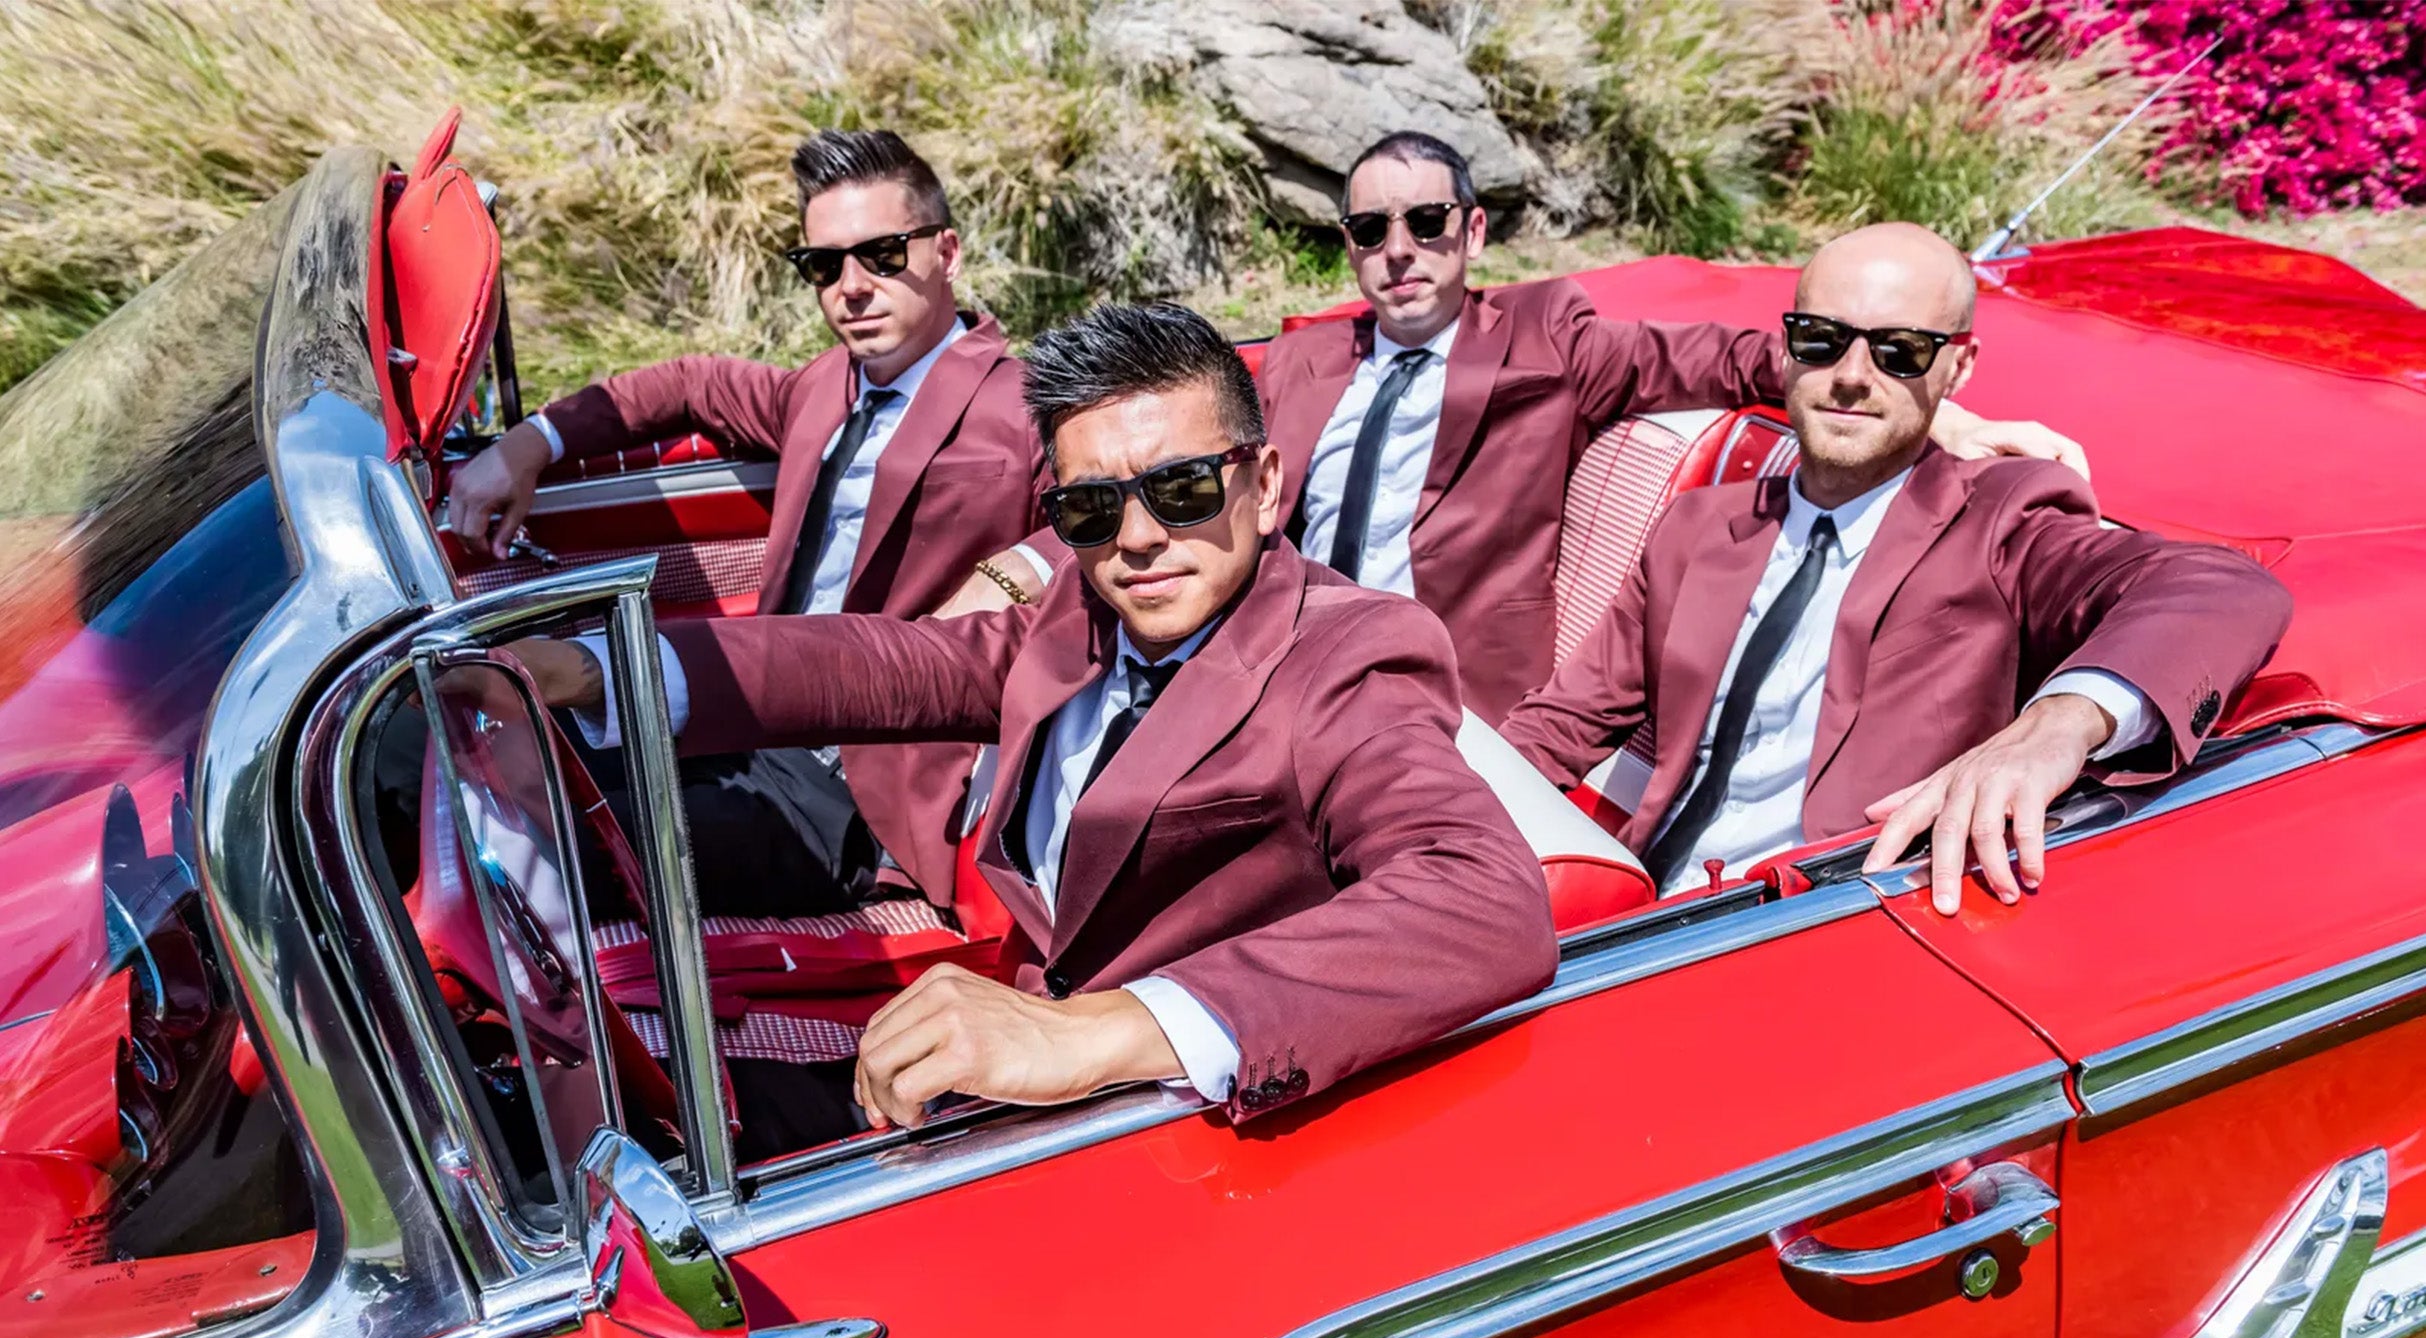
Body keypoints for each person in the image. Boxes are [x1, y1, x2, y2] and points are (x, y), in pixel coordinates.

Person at [509, 301, 1557, 1142]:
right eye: (1091, 509)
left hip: (1159, 1116)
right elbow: (893, 665)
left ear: (1266, 483)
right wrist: (602, 670)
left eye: (1182, 489)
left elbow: (1482, 896)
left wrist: (1099, 1030)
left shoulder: (1349, 659)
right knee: (598, 1121)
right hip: (1003, 1052)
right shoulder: (1087, 614)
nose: (1136, 538)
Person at [954, 131, 2086, 722]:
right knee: (1018, 699)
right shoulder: (1301, 357)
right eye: (1369, 230)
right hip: (1255, 641)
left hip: (1431, 679)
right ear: (1347, 248)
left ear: (1474, 232)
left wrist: (1935, 407)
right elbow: (1161, 471)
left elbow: (1738, 354)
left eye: (1426, 222)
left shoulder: (1549, 337)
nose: (1399, 250)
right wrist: (1014, 570)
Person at [1496, 222, 2292, 912]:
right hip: (1643, 910)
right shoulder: (1701, 526)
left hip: (1835, 919)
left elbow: (2222, 588)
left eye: (1899, 351)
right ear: (1787, 347)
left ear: (1958, 368)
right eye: (1821, 338)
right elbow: (1563, 724)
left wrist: (2057, 724)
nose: (1851, 374)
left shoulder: (1999, 521)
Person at [448, 129, 1045, 914]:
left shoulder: (1024, 404)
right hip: (739, 718)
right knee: (463, 763)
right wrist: (528, 444)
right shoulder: (823, 386)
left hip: (858, 783)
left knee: (543, 858)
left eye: (882, 255)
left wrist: (1018, 569)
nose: (853, 287)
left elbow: (1125, 515)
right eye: (824, 266)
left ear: (948, 252)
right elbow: (688, 385)